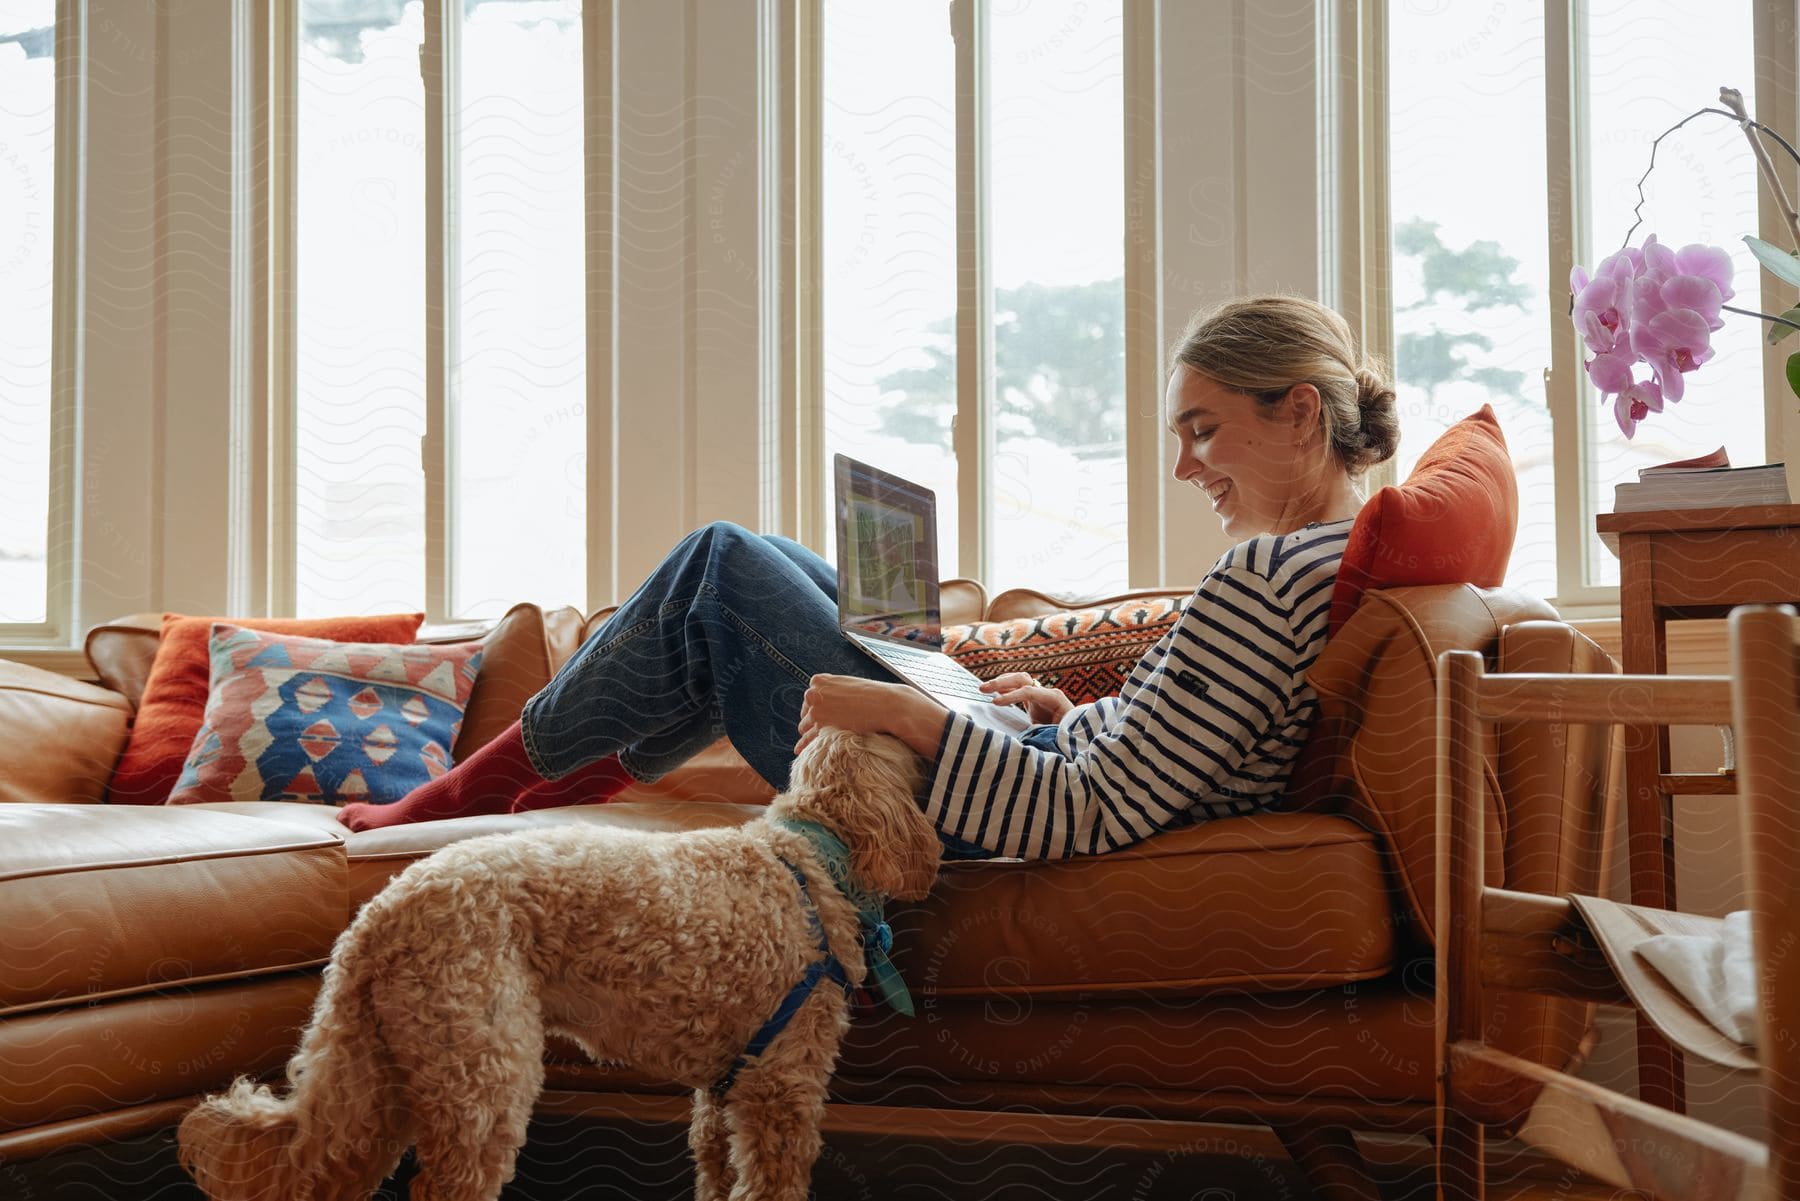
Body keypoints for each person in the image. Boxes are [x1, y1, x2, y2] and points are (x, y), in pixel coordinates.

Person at [336, 295, 1399, 861]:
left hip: (981, 812)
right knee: (785, 569)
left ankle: (472, 789)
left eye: (1204, 430)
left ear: (1298, 410)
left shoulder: (1268, 573)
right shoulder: (1312, 564)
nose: (1186, 467)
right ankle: (538, 786)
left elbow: (1090, 812)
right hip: (1018, 759)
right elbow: (1170, 750)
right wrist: (1043, 705)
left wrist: (916, 716)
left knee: (723, 565)